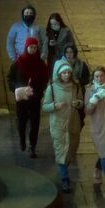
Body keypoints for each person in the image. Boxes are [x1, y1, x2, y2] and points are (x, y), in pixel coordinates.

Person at [43, 61, 83, 192]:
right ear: (58, 74)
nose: (66, 75)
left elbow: (81, 102)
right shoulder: (52, 88)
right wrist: (54, 106)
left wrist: (78, 103)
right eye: (64, 73)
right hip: (58, 126)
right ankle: (65, 178)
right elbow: (44, 106)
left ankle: (64, 171)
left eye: (68, 73)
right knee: (61, 151)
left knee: (71, 151)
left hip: (73, 123)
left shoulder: (75, 86)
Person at [9, 36, 48, 156]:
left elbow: (44, 79)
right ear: (26, 47)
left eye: (35, 47)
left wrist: (39, 92)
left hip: (35, 99)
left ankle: (32, 146)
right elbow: (10, 78)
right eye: (31, 47)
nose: (33, 49)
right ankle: (22, 139)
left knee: (35, 123)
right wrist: (16, 89)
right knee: (22, 122)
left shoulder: (40, 64)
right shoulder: (18, 63)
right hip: (22, 99)